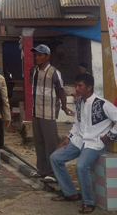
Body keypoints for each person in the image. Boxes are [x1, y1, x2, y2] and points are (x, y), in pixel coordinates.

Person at [50, 73, 117, 214]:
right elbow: (77, 124)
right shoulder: (79, 102)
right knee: (55, 158)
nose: (77, 88)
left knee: (81, 166)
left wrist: (109, 136)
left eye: (80, 85)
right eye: (76, 85)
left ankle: (88, 202)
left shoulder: (103, 103)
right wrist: (68, 137)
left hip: (95, 143)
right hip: (79, 140)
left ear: (89, 87)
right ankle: (70, 193)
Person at [30, 44, 75, 183]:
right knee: (39, 142)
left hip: (48, 112)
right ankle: (42, 170)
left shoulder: (54, 72)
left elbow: (61, 90)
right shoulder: (34, 70)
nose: (37, 57)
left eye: (40, 55)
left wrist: (64, 106)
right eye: (36, 55)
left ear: (47, 56)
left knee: (51, 142)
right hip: (36, 111)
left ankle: (52, 172)